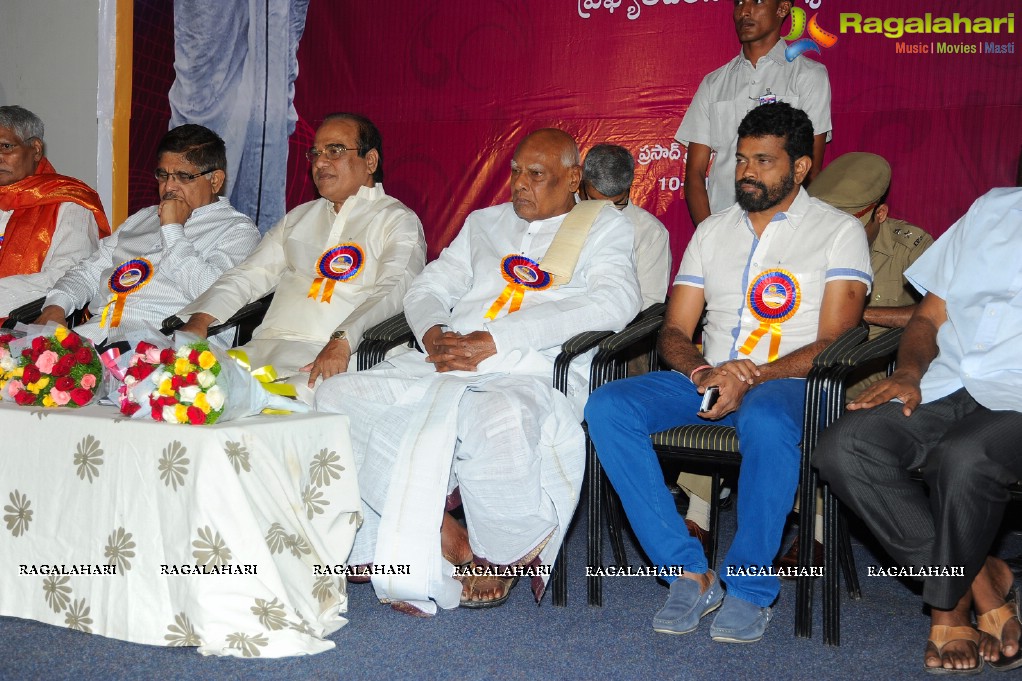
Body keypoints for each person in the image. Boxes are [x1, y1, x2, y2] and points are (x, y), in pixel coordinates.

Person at [314, 128, 641, 615]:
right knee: (335, 398)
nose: (520, 184)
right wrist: (433, 334)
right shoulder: (485, 223)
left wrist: (499, 340)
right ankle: (437, 529)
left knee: (493, 416)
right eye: (515, 172)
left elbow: (616, 300)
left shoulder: (605, 228)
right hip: (443, 360)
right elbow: (427, 288)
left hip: (529, 367)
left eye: (536, 175)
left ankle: (498, 550)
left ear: (574, 178)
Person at [585, 103, 870, 643]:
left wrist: (753, 376)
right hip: (708, 375)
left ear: (801, 168)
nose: (746, 172)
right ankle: (688, 572)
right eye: (742, 159)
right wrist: (702, 371)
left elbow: (836, 340)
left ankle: (750, 587)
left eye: (763, 161)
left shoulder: (837, 232)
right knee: (608, 405)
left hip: (789, 384)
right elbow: (673, 330)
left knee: (764, 418)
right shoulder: (713, 231)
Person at [815, 187, 1022, 674]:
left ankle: (949, 611)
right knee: (845, 446)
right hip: (947, 381)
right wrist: (908, 372)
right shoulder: (992, 208)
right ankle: (984, 581)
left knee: (963, 456)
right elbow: (928, 316)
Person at [178, 113, 426, 403]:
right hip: (265, 348)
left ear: (370, 161)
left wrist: (342, 340)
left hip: (342, 353)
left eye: (334, 151)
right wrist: (200, 319)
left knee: (273, 402)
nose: (320, 162)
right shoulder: (299, 218)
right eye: (315, 153)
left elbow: (396, 288)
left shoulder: (397, 220)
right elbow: (248, 274)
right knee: (184, 389)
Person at [36, 125, 260, 345]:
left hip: (162, 346)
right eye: (163, 175)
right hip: (95, 337)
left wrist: (172, 229)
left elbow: (214, 296)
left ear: (215, 181)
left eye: (183, 176)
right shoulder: (142, 218)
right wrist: (56, 306)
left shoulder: (238, 231)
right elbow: (89, 270)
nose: (169, 187)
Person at [677, 0, 831, 228]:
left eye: (757, 2)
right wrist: (708, 236)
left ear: (782, 9)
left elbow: (811, 169)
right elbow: (694, 175)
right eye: (739, 3)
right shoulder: (714, 83)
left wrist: (791, 231)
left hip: (784, 228)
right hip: (723, 226)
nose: (744, 11)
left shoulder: (808, 76)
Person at [0, 105, 110, 317]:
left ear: (36, 149)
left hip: (29, 330)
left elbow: (68, 277)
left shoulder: (69, 202)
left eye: (5, 146)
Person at [579, 143, 670, 308]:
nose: (606, 214)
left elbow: (649, 303)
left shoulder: (650, 232)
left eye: (617, 204)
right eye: (595, 202)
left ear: (629, 187)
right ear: (581, 183)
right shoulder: (562, 216)